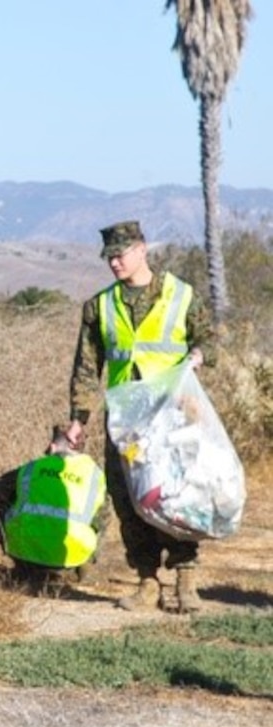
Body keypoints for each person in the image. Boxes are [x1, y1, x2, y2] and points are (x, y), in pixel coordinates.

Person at [62, 220, 215, 613]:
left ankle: (186, 580)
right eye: (109, 257)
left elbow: (209, 339)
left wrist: (199, 356)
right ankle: (147, 581)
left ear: (142, 249)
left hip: (172, 414)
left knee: (176, 497)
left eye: (120, 254)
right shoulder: (99, 306)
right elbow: (86, 366)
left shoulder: (182, 295)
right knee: (129, 500)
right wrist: (79, 418)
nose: (114, 263)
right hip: (124, 421)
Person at [0, 425, 108, 592]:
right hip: (72, 554)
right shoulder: (96, 474)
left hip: (25, 551)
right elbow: (102, 515)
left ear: (53, 446)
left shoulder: (33, 468)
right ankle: (82, 568)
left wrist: (18, 500)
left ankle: (23, 570)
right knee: (97, 519)